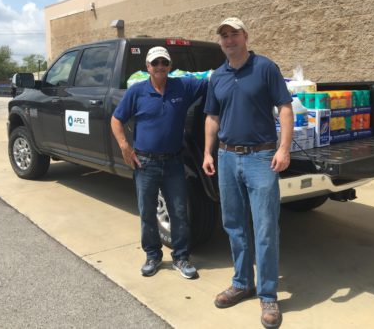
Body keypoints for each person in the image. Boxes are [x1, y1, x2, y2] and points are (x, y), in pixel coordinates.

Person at [202, 18, 293, 328]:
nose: (229, 40)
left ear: (245, 36)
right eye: (224, 36)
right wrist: (207, 152)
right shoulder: (217, 76)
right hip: (227, 157)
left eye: (234, 34)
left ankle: (268, 294)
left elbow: (285, 108)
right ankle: (242, 282)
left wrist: (283, 149)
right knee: (234, 224)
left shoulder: (265, 68)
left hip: (261, 157)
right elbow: (212, 116)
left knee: (265, 227)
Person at [111, 46, 207, 279]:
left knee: (179, 212)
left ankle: (181, 258)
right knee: (147, 212)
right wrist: (125, 146)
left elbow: (210, 81)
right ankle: (153, 255)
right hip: (145, 163)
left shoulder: (182, 87)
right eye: (155, 64)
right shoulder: (137, 92)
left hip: (174, 162)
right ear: (148, 67)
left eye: (164, 63)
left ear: (170, 66)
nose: (160, 67)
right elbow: (116, 119)